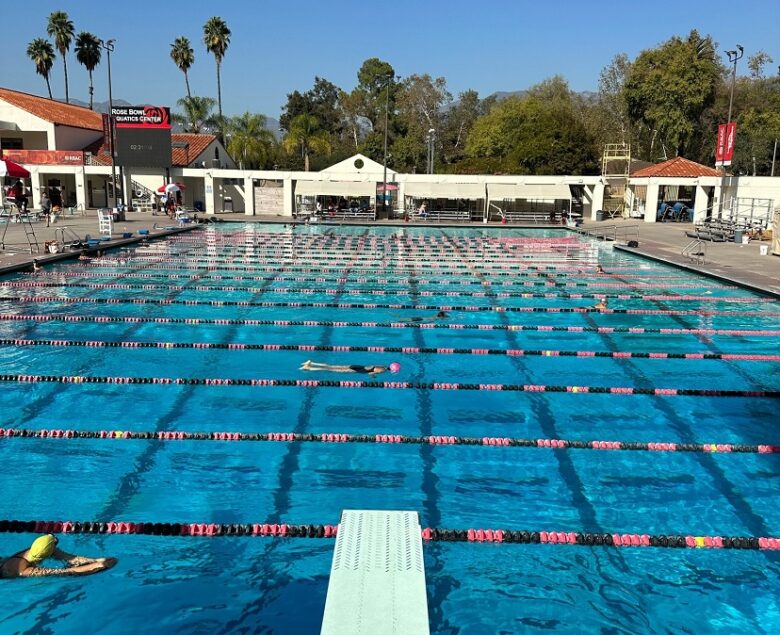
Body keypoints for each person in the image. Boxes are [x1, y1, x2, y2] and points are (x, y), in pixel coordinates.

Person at [1, 534, 117, 578]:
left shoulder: (37, 548)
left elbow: (72, 559)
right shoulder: (26, 571)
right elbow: (65, 572)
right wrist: (98, 565)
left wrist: (96, 560)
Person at [300, 360, 401, 376]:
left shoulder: (383, 366)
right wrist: (373, 376)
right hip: (357, 370)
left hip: (357, 366)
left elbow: (372, 367)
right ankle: (309, 368)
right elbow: (370, 373)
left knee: (332, 366)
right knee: (331, 370)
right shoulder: (383, 370)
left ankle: (311, 362)